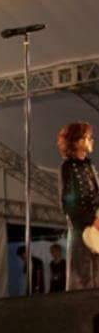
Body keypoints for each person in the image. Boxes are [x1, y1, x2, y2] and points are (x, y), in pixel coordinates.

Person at [58, 122, 99, 290]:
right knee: (83, 279)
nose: (92, 141)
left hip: (95, 230)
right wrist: (91, 221)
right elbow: (68, 203)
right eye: (88, 138)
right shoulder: (67, 167)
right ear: (77, 142)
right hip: (81, 230)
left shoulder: (90, 166)